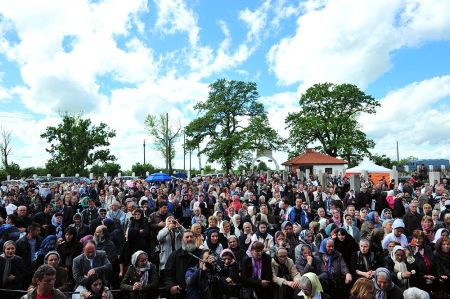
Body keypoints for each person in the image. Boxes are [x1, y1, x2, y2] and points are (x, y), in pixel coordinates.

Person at [164, 230, 202, 298]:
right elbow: (168, 274)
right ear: (182, 240)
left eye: (191, 237)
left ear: (194, 238)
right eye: (187, 237)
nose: (189, 239)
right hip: (180, 292)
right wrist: (171, 286)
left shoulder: (201, 254)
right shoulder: (174, 255)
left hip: (198, 292)